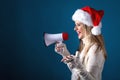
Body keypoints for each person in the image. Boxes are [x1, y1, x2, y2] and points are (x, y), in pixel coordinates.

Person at [55, 6, 107, 80]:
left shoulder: (95, 50)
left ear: (88, 27)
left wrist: (78, 66)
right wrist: (65, 53)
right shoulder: (84, 46)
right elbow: (78, 76)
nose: (75, 28)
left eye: (78, 25)